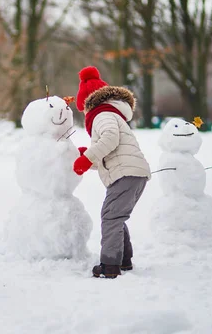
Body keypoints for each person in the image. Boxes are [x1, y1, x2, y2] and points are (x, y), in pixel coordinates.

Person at [73, 66, 151, 279]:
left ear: (89, 103)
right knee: (116, 216)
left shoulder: (102, 114)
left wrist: (87, 157)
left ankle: (110, 265)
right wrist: (88, 158)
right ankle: (123, 260)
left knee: (110, 217)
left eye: (83, 109)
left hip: (126, 174)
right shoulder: (111, 114)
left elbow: (109, 139)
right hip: (133, 173)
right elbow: (109, 155)